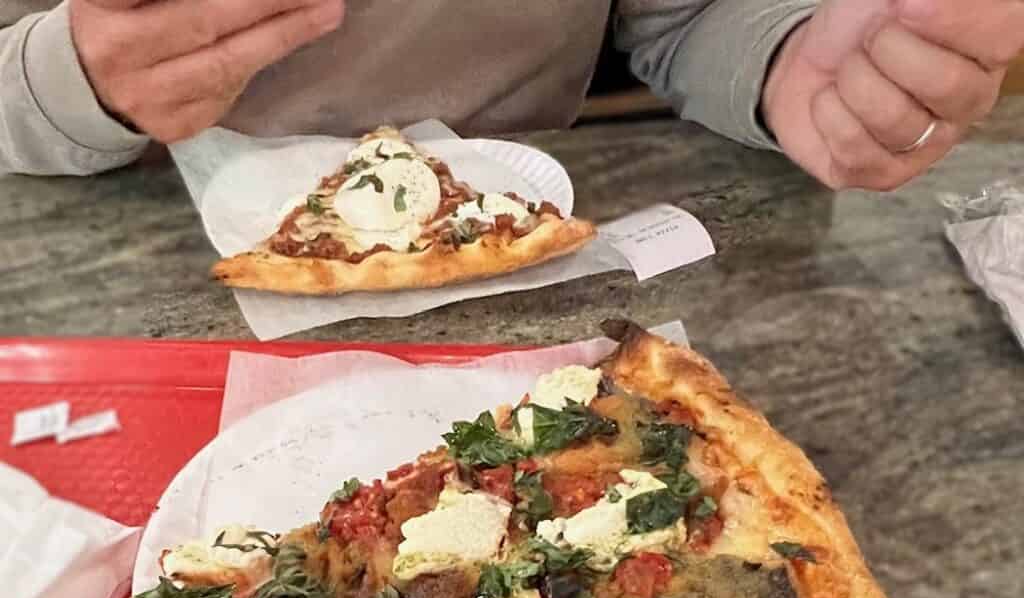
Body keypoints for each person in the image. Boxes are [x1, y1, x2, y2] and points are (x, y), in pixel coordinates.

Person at [0, 0, 1020, 191]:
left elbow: (676, 19)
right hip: (138, 268)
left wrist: (788, 65)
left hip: (524, 254)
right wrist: (77, 79)